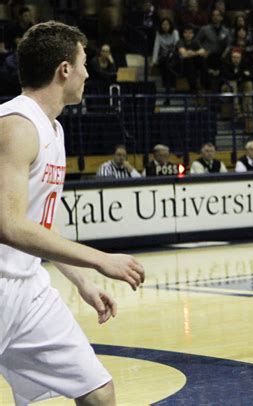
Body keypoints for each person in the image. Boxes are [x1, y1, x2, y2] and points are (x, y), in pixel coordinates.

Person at [0, 21, 145, 405]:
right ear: (64, 69)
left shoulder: (55, 130)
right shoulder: (16, 126)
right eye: (83, 63)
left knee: (98, 392)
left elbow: (38, 224)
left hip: (26, 289)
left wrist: (81, 280)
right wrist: (100, 260)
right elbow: (9, 225)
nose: (87, 73)